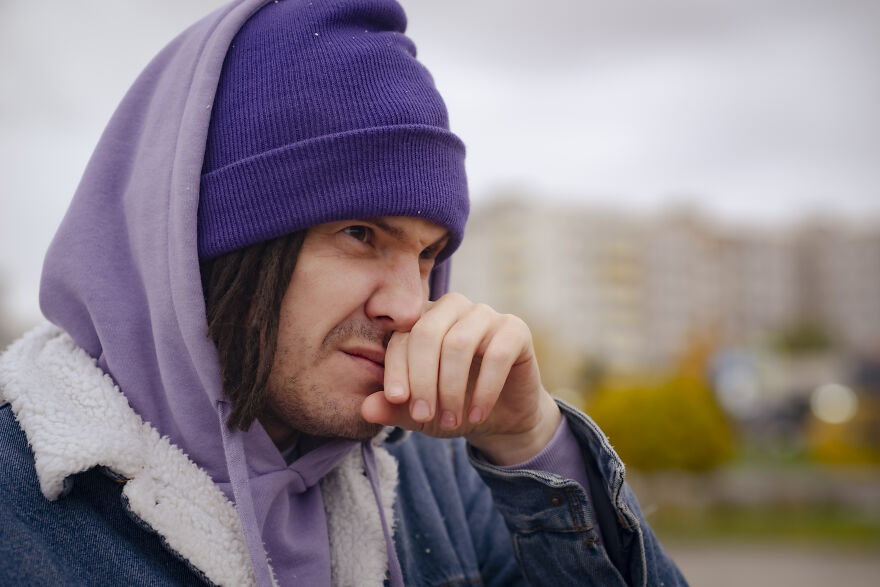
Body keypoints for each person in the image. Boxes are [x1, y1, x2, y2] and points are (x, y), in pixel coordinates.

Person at [0, 0, 687, 585]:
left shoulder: (434, 476)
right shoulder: (19, 510)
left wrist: (530, 442)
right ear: (201, 245)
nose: (410, 306)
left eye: (428, 255)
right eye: (361, 233)